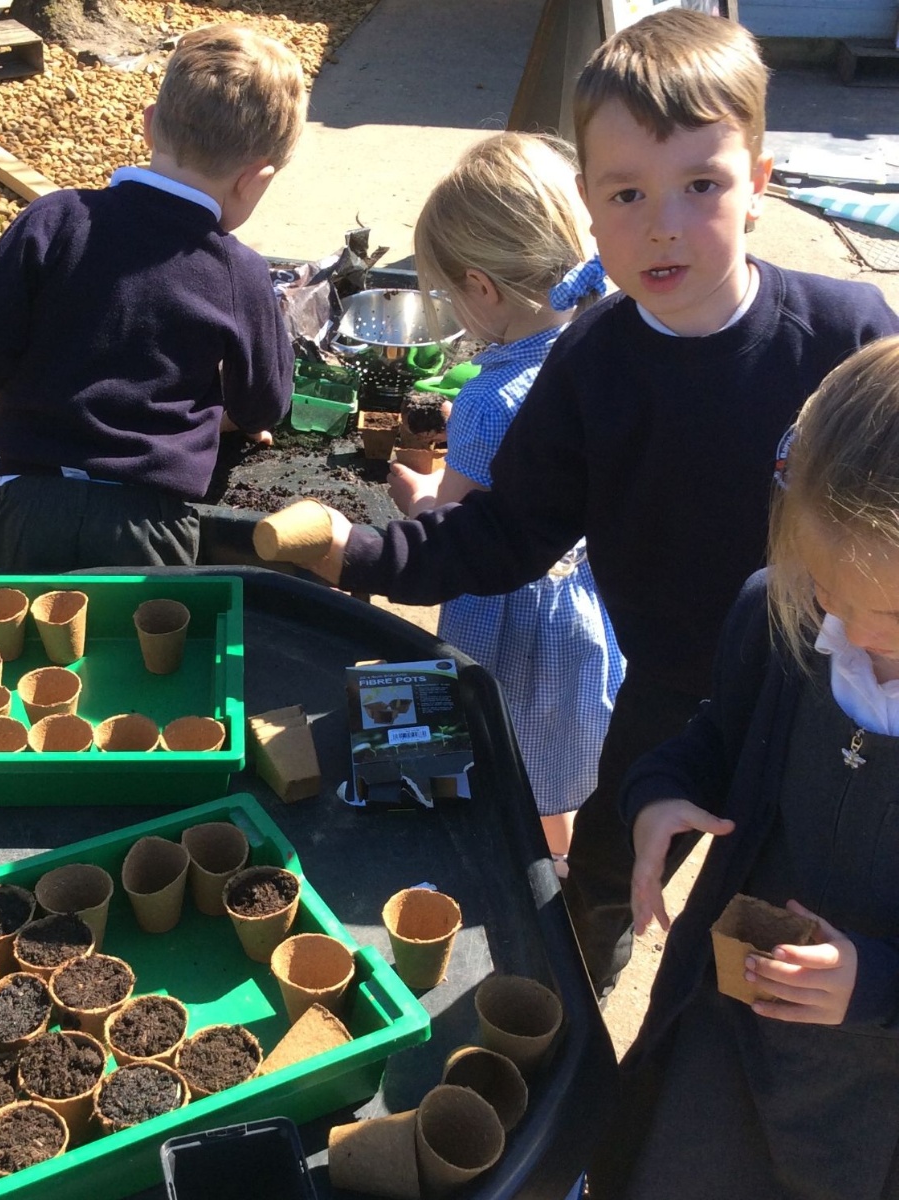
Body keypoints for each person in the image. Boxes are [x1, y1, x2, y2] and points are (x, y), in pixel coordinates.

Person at [297, 9, 899, 997]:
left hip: (830, 680)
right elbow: (509, 531)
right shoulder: (592, 363)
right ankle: (577, 1023)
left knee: (799, 914)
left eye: (699, 184)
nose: (661, 222)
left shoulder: (849, 339)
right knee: (608, 882)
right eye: (627, 193)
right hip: (662, 687)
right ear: (587, 204)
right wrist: (360, 554)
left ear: (760, 183)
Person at [587, 336, 899, 1200]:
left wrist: (873, 983)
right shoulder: (782, 614)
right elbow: (720, 737)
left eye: (891, 613)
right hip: (727, 1030)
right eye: (827, 588)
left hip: (871, 1105)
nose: (850, 628)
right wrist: (659, 795)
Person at [0, 23, 305, 572]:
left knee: (30, 650)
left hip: (28, 502)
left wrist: (31, 389)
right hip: (147, 522)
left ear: (150, 124)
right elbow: (265, 404)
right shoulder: (240, 272)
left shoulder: (56, 218)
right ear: (256, 180)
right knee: (142, 656)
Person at [390, 132, 624, 866]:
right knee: (559, 765)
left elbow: (452, 528)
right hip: (586, 605)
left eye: (453, 294)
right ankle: (566, 868)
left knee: (509, 763)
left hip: (512, 619)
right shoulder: (606, 344)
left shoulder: (492, 402)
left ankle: (530, 880)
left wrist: (418, 493)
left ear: (482, 288)